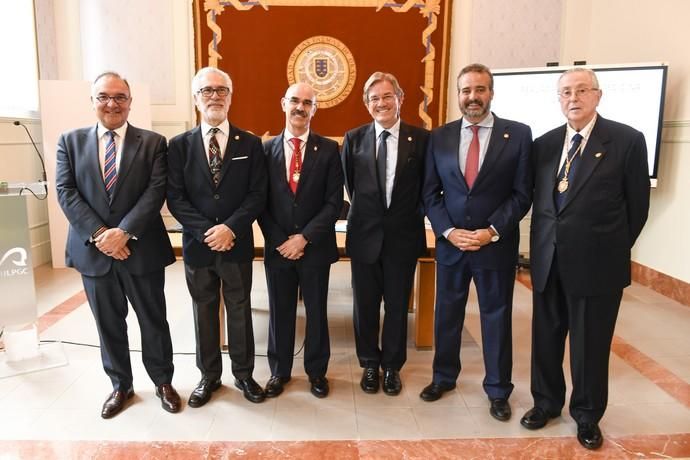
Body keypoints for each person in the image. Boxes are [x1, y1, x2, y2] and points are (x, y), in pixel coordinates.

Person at [520, 68, 650, 450]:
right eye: (565, 92)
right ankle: (545, 402)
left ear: (598, 95)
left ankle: (588, 415)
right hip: (548, 260)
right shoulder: (543, 145)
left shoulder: (626, 141)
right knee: (545, 338)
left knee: (589, 345)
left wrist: (608, 250)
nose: (572, 98)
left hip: (597, 265)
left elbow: (637, 208)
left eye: (580, 90)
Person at [55, 71, 180, 418]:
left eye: (120, 97)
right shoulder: (70, 141)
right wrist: (100, 235)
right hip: (94, 253)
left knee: (154, 320)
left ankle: (162, 381)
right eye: (104, 97)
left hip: (142, 248)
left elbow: (156, 191)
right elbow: (66, 192)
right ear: (93, 101)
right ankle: (120, 385)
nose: (112, 104)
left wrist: (123, 232)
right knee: (108, 324)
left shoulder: (153, 142)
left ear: (130, 101)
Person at [421, 63, 532, 422]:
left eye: (480, 89)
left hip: (494, 245)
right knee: (447, 314)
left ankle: (498, 389)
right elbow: (430, 193)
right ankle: (443, 377)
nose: (473, 97)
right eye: (466, 90)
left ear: (491, 93)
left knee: (495, 317)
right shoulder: (439, 136)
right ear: (458, 95)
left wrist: (491, 231)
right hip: (452, 244)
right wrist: (449, 231)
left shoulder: (517, 134)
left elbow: (521, 194)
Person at [166, 67, 267, 406]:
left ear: (230, 96)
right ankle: (208, 376)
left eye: (221, 90)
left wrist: (231, 228)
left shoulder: (250, 143)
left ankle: (244, 374)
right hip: (198, 246)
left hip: (236, 243)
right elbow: (175, 197)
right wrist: (206, 232)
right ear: (196, 99)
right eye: (207, 90)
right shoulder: (178, 146)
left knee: (240, 309)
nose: (214, 96)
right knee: (204, 311)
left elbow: (257, 194)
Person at [342, 72, 429, 395]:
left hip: (403, 237)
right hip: (364, 234)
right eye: (374, 98)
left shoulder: (421, 139)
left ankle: (392, 367)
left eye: (387, 96)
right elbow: (352, 185)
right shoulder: (354, 139)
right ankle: (369, 364)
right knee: (364, 305)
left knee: (396, 305)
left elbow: (425, 186)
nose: (382, 103)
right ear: (367, 104)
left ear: (400, 99)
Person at [258, 82, 343, 399]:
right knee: (280, 311)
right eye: (294, 100)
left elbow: (334, 203)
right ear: (283, 103)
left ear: (314, 109)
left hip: (315, 248)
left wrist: (303, 238)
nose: (300, 107)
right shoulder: (265, 149)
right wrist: (282, 240)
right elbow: (260, 202)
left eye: (307, 102)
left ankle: (317, 372)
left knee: (317, 312)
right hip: (278, 247)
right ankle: (279, 371)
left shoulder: (330, 149)